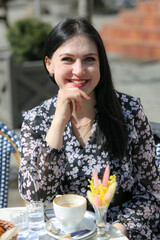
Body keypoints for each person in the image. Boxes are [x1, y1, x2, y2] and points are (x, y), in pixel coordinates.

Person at [18, 17, 160, 239]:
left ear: (100, 63)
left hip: (120, 232)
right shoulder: (36, 120)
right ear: (49, 64)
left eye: (89, 59)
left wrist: (116, 232)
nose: (79, 70)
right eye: (67, 59)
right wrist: (59, 122)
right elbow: (35, 196)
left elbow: (152, 195)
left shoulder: (129, 111)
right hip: (62, 234)